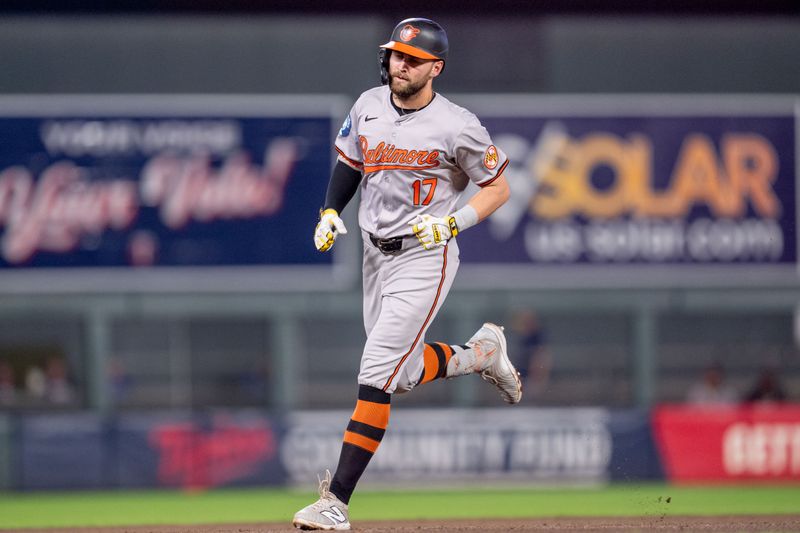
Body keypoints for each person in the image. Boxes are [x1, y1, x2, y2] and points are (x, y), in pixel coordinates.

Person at [294, 17, 521, 531]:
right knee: (405, 371)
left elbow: (500, 187)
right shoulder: (368, 105)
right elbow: (351, 164)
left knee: (376, 371)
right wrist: (330, 211)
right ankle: (481, 354)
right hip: (375, 255)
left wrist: (455, 222)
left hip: (425, 255)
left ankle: (337, 504)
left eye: (412, 59)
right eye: (397, 54)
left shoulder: (457, 124)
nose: (400, 63)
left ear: (434, 68)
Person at [510, 309, 552, 399]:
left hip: (533, 377)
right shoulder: (521, 338)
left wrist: (538, 378)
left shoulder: (538, 337)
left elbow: (541, 358)